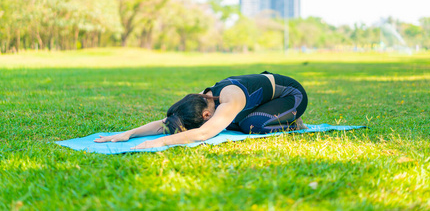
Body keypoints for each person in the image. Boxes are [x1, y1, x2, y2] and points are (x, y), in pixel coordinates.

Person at [94, 71, 308, 149]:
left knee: (250, 126)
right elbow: (168, 123)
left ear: (206, 115)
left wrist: (158, 142)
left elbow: (204, 132)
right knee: (231, 123)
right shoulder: (201, 98)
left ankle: (292, 122)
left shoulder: (229, 98)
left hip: (291, 95)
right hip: (261, 100)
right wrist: (129, 133)